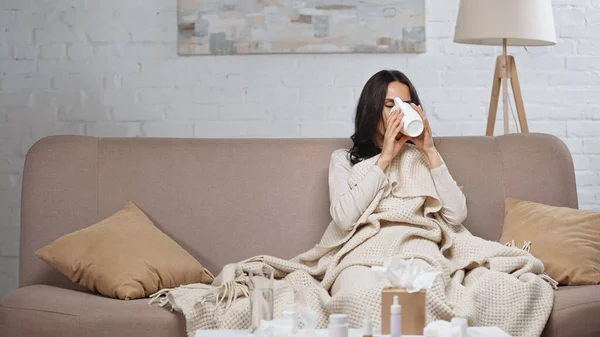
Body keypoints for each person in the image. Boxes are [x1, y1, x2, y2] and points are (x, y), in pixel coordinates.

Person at [328, 69, 468, 295]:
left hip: (417, 245)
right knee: (355, 293)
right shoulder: (343, 160)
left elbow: (457, 215)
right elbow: (344, 219)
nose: (399, 112)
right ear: (371, 110)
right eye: (390, 105)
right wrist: (385, 158)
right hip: (364, 248)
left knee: (425, 293)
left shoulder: (422, 157)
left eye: (407, 105)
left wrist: (429, 150)